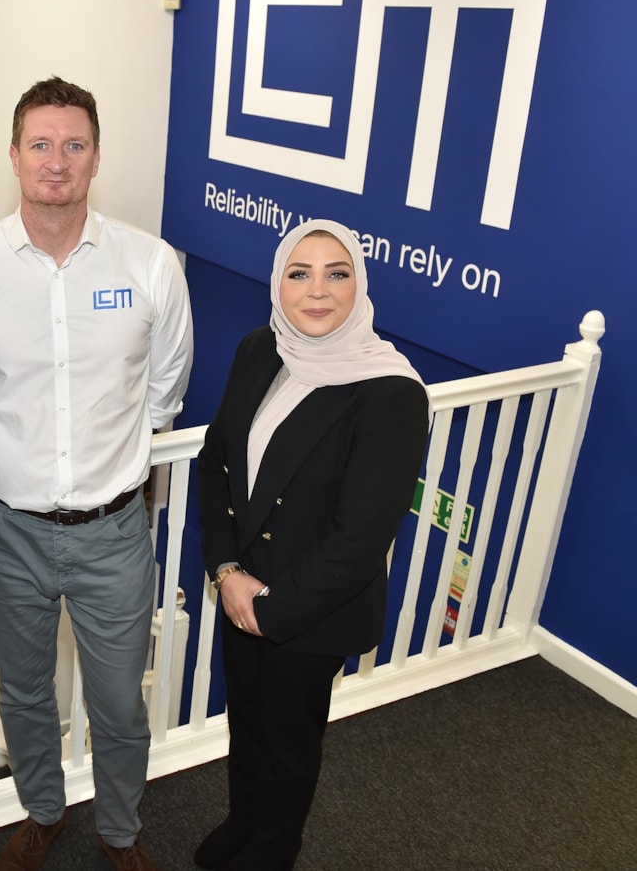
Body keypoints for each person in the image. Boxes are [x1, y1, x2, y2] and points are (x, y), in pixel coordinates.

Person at [0, 76, 194, 871]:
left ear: (96, 157)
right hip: (5, 530)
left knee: (119, 701)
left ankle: (120, 827)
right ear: (13, 156)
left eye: (73, 145)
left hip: (114, 530)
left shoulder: (151, 264)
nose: (56, 161)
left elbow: (163, 390)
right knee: (25, 690)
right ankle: (43, 808)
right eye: (40, 144)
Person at [194, 218, 431, 870]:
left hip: (310, 611)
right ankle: (244, 821)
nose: (317, 290)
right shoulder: (259, 348)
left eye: (337, 273)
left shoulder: (392, 392)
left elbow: (359, 539)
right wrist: (226, 570)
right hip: (240, 587)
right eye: (299, 273)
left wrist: (267, 609)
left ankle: (272, 849)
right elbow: (215, 465)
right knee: (245, 719)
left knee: (288, 744)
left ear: (360, 283)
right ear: (278, 282)